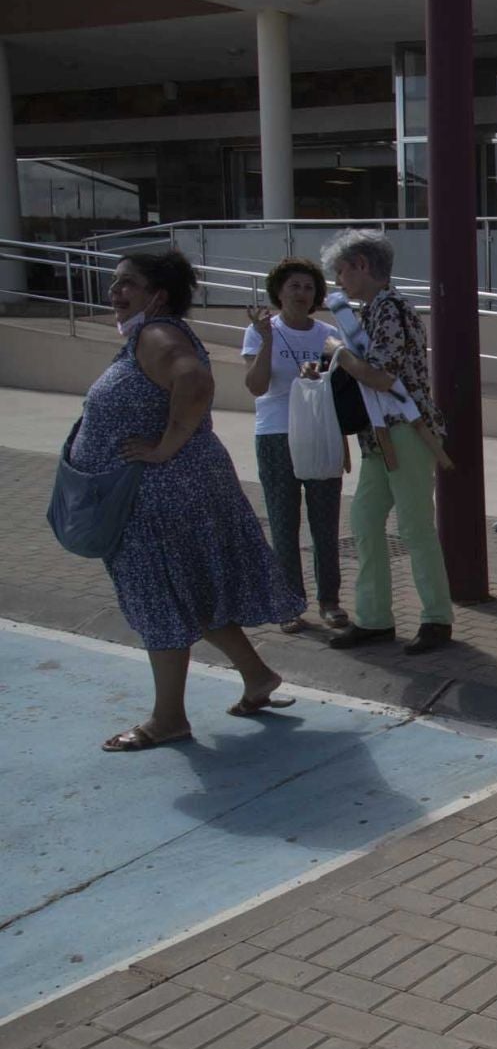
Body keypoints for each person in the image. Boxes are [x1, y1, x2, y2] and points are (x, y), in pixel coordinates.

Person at [77, 252, 302, 750]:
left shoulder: (159, 334)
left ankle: (168, 718)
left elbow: (196, 382)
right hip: (172, 491)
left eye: (128, 284)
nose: (116, 292)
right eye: (115, 283)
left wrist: (165, 447)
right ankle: (258, 677)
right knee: (192, 593)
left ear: (157, 295)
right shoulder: (149, 333)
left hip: (161, 498)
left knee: (161, 599)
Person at [319, 229, 454, 656]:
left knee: (414, 527)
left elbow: (381, 374)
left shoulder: (389, 308)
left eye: (341, 271)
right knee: (364, 522)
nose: (339, 281)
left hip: (405, 430)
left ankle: (436, 618)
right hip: (383, 433)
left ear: (361, 264)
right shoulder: (378, 310)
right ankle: (374, 618)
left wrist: (338, 352)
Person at [242, 257, 345, 634]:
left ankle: (329, 602)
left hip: (319, 433)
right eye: (293, 286)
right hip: (275, 434)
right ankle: (288, 603)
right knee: (284, 522)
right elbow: (256, 386)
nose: (301, 293)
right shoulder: (259, 331)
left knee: (325, 522)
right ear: (279, 292)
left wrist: (319, 374)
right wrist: (267, 340)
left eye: (308, 287)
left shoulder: (327, 333)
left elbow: (343, 385)